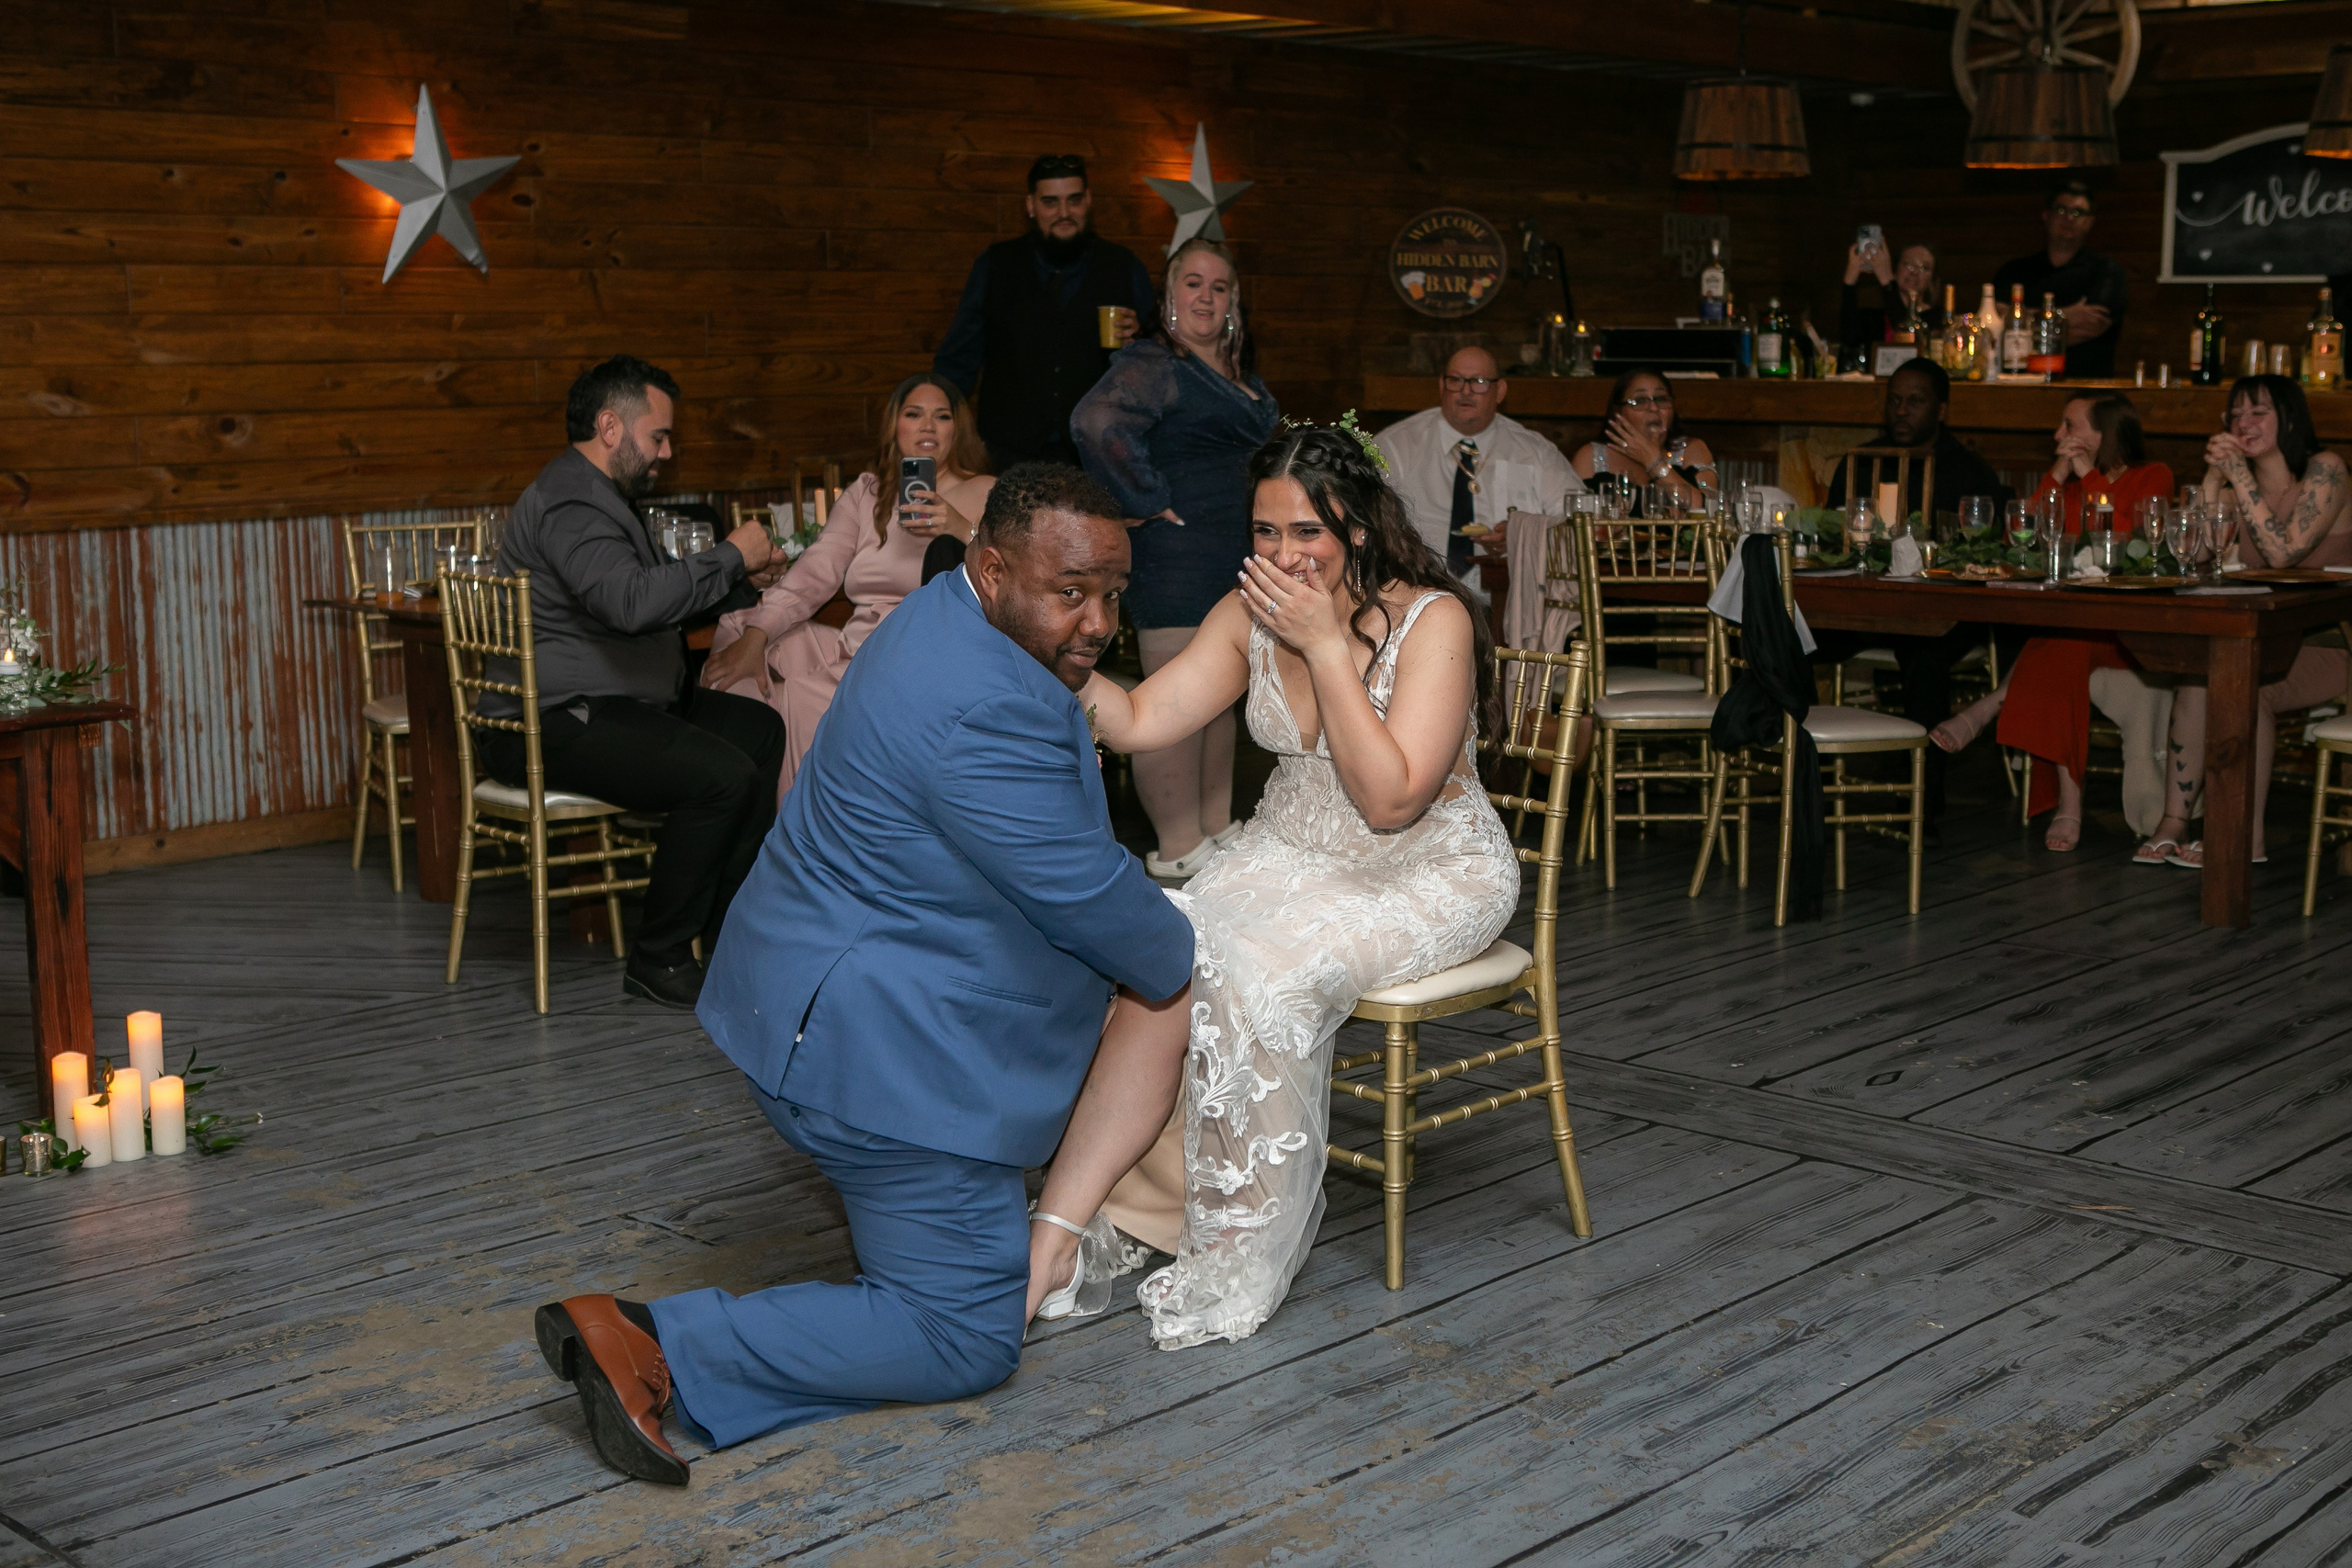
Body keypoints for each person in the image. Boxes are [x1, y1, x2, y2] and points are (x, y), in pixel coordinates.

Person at [528, 465, 1196, 1485]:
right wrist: (1184, 928)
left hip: (800, 1002)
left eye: (1115, 592)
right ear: (992, 564)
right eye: (1070, 592)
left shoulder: (939, 616)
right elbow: (1129, 935)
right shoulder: (988, 708)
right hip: (880, 1057)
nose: (1098, 619)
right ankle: (654, 1346)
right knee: (963, 1335)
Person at [1024, 423, 1521, 1349]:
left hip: (1425, 868)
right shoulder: (1241, 615)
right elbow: (1137, 719)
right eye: (1265, 533)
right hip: (1288, 848)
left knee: (1256, 972)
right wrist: (1044, 655)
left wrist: (1330, 648)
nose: (1283, 556)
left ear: (1358, 530)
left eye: (1307, 534)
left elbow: (1388, 803)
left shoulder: (1432, 621)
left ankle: (1236, 1240)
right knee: (1156, 945)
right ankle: (1136, 1211)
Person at [481, 355, 785, 1010]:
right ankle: (660, 956)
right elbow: (629, 603)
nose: (667, 453)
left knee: (760, 730)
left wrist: (735, 582)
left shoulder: (602, 496)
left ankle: (730, 934)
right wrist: (730, 552)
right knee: (720, 775)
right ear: (611, 426)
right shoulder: (570, 498)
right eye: (659, 436)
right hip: (553, 719)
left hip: (614, 701)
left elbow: (647, 599)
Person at [1073, 237, 1280, 881]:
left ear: (1234, 303)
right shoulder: (1155, 361)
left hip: (1234, 551)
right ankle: (1176, 844)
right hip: (1178, 554)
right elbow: (1095, 420)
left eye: (1219, 287)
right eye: (1193, 283)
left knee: (1219, 695)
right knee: (1174, 699)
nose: (1206, 297)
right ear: (1169, 297)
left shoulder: (1235, 373)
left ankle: (1215, 828)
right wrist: (1146, 499)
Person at [699, 375, 997, 798]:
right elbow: (816, 570)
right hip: (853, 646)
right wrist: (758, 632)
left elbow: (1009, 576)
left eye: (941, 416)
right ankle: (739, 797)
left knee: (798, 695)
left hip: (914, 657)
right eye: (914, 414)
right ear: (896, 426)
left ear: (957, 429)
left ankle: (800, 835)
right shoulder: (867, 493)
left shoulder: (985, 491)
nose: (928, 426)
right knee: (742, 632)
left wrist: (959, 527)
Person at [1929, 394, 2174, 850]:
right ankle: (2069, 802)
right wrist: (2058, 477)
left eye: (2069, 426)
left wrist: (2086, 476)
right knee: (2062, 640)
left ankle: (1991, 707)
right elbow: (2016, 541)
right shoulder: (2071, 483)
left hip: (2131, 630)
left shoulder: (2152, 476)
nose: (2058, 437)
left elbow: (2124, 541)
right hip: (2074, 626)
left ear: (2103, 435)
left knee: (2060, 639)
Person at [2137, 376, 2350, 869]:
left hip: (2333, 641)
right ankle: (2174, 821)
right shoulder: (2237, 490)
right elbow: (2194, 561)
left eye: (2258, 412)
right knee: (2199, 675)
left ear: (2291, 419)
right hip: (2267, 635)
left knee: (2245, 689)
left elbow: (2283, 552)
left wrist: (2240, 477)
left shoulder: (2326, 470)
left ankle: (2242, 837)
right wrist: (2214, 482)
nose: (2243, 423)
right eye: (2235, 415)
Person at [1817, 359, 2018, 825]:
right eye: (1894, 401)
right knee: (1791, 634)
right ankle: (1803, 774)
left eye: (1915, 401)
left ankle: (1922, 803)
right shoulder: (1860, 464)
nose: (1901, 411)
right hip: (1864, 608)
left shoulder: (1969, 473)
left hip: (1943, 613)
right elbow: (1833, 540)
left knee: (1925, 653)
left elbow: (1986, 555)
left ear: (1942, 409)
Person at [932, 153, 1158, 469]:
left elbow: (1162, 363)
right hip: (1006, 455)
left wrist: (1143, 338)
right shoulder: (996, 265)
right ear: (1030, 205)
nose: (1064, 213)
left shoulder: (1123, 266)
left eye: (1074, 200)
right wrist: (932, 429)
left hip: (1098, 457)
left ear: (1089, 201)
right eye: (1050, 202)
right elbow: (958, 360)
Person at [1374, 344, 1581, 587]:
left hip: (1509, 594)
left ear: (1500, 390)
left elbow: (1577, 517)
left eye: (1479, 382)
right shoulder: (1397, 445)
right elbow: (1365, 516)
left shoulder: (1534, 451)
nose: (1465, 391)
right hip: (1419, 589)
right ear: (1442, 386)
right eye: (1456, 380)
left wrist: (1522, 536)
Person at [1991, 182, 2129, 380]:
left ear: (2090, 221)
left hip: (2085, 385)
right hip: (2021, 383)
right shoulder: (2013, 271)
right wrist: (2066, 316)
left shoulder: (2107, 272)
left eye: (2078, 212)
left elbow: (2092, 326)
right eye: (2062, 210)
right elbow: (1998, 324)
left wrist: (2021, 328)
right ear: (2046, 215)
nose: (2069, 218)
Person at [1568, 368, 1717, 515]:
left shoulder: (1692, 450)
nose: (1654, 408)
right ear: (1618, 412)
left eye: (1661, 399)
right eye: (1639, 401)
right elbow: (1577, 524)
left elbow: (1705, 512)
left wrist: (1654, 462)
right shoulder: (1590, 456)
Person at [1838, 236, 1941, 354]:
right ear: (1896, 269)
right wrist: (1849, 282)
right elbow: (1849, 340)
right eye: (1908, 264)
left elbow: (1907, 333)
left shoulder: (1938, 318)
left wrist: (1886, 280)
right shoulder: (1875, 317)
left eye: (1924, 268)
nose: (1915, 272)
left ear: (1932, 279)